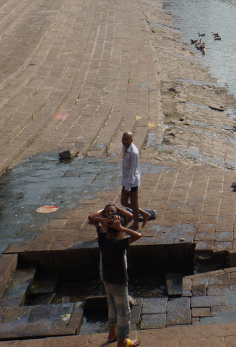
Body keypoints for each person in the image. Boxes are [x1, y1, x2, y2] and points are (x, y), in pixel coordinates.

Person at [88, 204, 141, 347]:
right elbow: (137, 235)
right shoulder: (119, 244)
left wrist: (103, 220)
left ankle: (112, 334)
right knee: (123, 311)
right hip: (119, 282)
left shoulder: (102, 238)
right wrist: (122, 228)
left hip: (107, 280)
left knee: (111, 306)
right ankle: (123, 341)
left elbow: (93, 219)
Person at [119, 132, 156, 230]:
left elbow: (133, 171)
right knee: (124, 202)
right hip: (126, 179)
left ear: (131, 140)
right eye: (123, 139)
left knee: (134, 203)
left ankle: (136, 224)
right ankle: (144, 213)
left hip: (132, 182)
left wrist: (128, 187)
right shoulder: (125, 148)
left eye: (126, 139)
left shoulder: (133, 153)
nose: (124, 141)